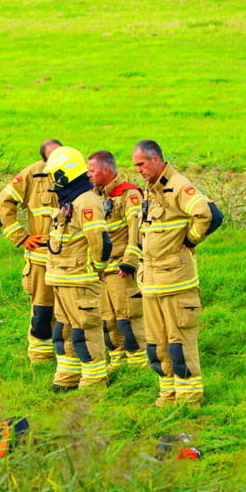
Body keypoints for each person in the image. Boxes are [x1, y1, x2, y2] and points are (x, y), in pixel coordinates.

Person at [132, 140, 222, 408]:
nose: (138, 169)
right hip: (151, 285)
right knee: (157, 347)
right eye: (136, 165)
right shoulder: (151, 190)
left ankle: (189, 401)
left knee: (179, 346)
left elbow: (209, 214)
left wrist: (191, 240)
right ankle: (168, 396)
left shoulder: (179, 185)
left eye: (141, 164)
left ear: (156, 160)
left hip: (176, 284)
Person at [43, 146, 111, 391]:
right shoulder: (69, 199)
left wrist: (100, 268)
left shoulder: (87, 201)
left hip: (79, 279)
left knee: (85, 331)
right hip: (62, 277)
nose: (53, 181)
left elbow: (100, 240)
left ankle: (93, 383)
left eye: (55, 175)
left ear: (65, 174)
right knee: (64, 331)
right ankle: (67, 379)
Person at [0, 139, 62, 362]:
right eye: (52, 158)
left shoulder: (76, 173)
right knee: (42, 311)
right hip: (40, 258)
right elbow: (3, 202)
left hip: (71, 258)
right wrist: (20, 237)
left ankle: (68, 357)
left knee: (70, 312)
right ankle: (41, 359)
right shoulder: (32, 175)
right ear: (43, 160)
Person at [86, 150, 148, 370]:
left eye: (92, 171)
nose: (88, 175)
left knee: (128, 318)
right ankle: (117, 360)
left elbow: (137, 230)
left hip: (122, 269)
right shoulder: (94, 195)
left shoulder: (129, 194)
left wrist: (130, 262)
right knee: (108, 320)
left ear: (106, 170)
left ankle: (139, 363)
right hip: (102, 270)